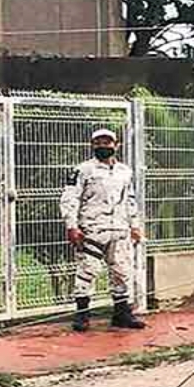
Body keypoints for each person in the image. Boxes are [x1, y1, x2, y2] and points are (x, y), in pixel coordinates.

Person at [60, 128, 145, 332]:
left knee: (122, 272)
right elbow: (70, 198)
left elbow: (130, 200)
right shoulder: (82, 170)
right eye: (98, 143)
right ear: (92, 145)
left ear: (116, 145)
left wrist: (134, 225)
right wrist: (71, 226)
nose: (103, 146)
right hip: (92, 229)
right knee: (87, 271)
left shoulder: (125, 171)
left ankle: (121, 314)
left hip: (119, 229)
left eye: (107, 142)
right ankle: (82, 315)